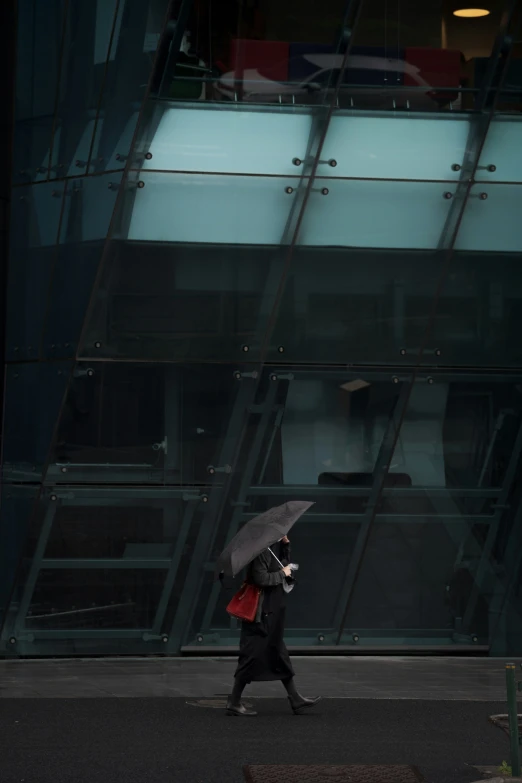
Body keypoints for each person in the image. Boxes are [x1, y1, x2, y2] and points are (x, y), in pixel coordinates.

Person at [226, 535, 321, 716]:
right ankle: (234, 701)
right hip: (263, 615)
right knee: (251, 655)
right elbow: (261, 578)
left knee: (278, 652)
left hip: (272, 612)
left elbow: (281, 565)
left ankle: (295, 698)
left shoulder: (270, 549)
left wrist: (286, 546)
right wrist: (282, 574)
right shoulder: (260, 551)